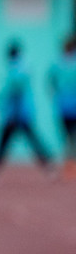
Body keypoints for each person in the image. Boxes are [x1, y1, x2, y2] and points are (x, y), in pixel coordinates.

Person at [0, 41, 52, 172]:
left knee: (7, 141)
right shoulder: (22, 66)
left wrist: (11, 110)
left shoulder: (18, 67)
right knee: (29, 140)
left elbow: (16, 90)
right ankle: (49, 166)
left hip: (17, 113)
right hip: (19, 112)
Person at [51, 34, 76, 176]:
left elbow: (51, 82)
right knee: (73, 137)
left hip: (62, 106)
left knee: (66, 137)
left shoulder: (57, 63)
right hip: (73, 105)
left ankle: (68, 166)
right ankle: (71, 166)